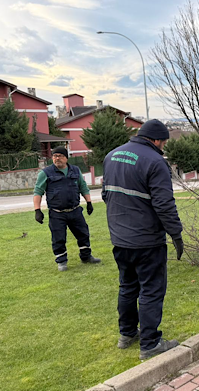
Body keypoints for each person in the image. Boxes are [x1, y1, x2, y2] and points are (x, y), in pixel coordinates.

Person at [102, 119, 184, 361]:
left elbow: (106, 194)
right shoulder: (155, 161)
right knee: (151, 290)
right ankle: (150, 344)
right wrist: (176, 233)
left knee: (127, 286)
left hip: (120, 238)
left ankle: (127, 334)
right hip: (147, 241)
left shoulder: (111, 156)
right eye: (164, 143)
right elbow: (164, 204)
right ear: (157, 140)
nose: (163, 147)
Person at [33, 146, 100, 271]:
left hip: (75, 210)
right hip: (57, 213)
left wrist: (89, 202)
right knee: (58, 238)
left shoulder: (75, 170)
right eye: (55, 156)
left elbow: (83, 187)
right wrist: (37, 210)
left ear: (66, 158)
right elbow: (38, 192)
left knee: (83, 234)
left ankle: (86, 256)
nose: (57, 158)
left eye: (60, 156)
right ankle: (61, 261)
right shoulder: (46, 173)